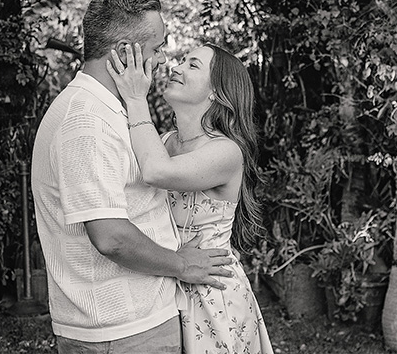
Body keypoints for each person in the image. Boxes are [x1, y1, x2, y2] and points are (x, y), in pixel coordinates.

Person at [31, 0, 235, 353]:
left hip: (134, 323)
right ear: (126, 51)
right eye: (156, 49)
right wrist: (180, 264)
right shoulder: (88, 120)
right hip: (122, 330)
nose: (160, 63)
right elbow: (111, 236)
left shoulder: (107, 110)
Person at [107, 41, 273, 353]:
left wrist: (134, 97)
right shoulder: (164, 141)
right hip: (168, 282)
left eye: (192, 65)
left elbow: (156, 172)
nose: (176, 68)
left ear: (216, 92)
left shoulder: (226, 151)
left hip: (213, 294)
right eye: (181, 61)